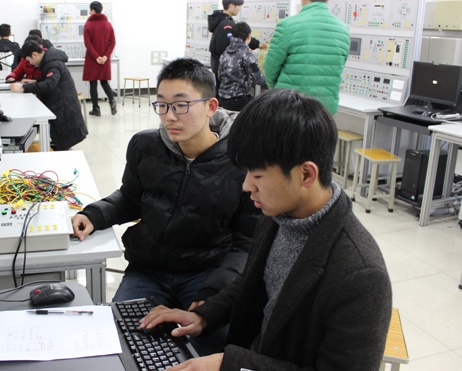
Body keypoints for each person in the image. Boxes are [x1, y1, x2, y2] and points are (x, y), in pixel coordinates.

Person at [141, 88, 393, 371]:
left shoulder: (361, 275)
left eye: (258, 175)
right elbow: (254, 280)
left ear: (306, 174)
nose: (247, 185)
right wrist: (204, 316)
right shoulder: (279, 212)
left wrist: (232, 364)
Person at [72, 58, 260, 352]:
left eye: (181, 105)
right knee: (119, 341)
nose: (169, 116)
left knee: (214, 348)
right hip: (148, 270)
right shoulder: (145, 146)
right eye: (162, 105)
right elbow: (131, 198)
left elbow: (247, 243)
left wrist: (216, 289)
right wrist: (96, 214)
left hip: (206, 272)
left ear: (211, 107)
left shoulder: (241, 162)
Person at [263, 0, 350, 115]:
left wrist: (278, 93)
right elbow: (338, 67)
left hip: (289, 107)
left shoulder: (288, 25)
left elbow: (270, 67)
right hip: (324, 110)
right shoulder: (343, 30)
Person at [9, 41, 88, 151]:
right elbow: (51, 80)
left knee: (64, 144)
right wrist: (36, 81)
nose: (31, 63)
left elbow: (50, 84)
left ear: (34, 54)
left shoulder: (52, 63)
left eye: (29, 60)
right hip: (60, 103)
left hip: (64, 106)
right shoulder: (48, 61)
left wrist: (23, 88)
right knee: (61, 143)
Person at [208, 0, 264, 86]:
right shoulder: (226, 25)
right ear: (231, 5)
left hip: (221, 69)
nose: (239, 8)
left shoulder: (223, 20)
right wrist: (245, 52)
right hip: (225, 71)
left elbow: (240, 35)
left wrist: (258, 44)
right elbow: (225, 49)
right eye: (238, 5)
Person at [217, 22, 266, 112]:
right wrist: (274, 81)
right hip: (238, 100)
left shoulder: (225, 53)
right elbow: (258, 79)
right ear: (249, 36)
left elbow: (220, 75)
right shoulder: (246, 55)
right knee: (263, 107)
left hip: (222, 99)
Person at [82, 1, 117, 117]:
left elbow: (88, 43)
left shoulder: (88, 24)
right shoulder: (108, 24)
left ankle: (96, 108)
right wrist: (105, 56)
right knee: (104, 81)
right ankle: (112, 100)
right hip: (104, 59)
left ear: (92, 10)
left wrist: (96, 57)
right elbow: (112, 42)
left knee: (93, 83)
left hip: (93, 58)